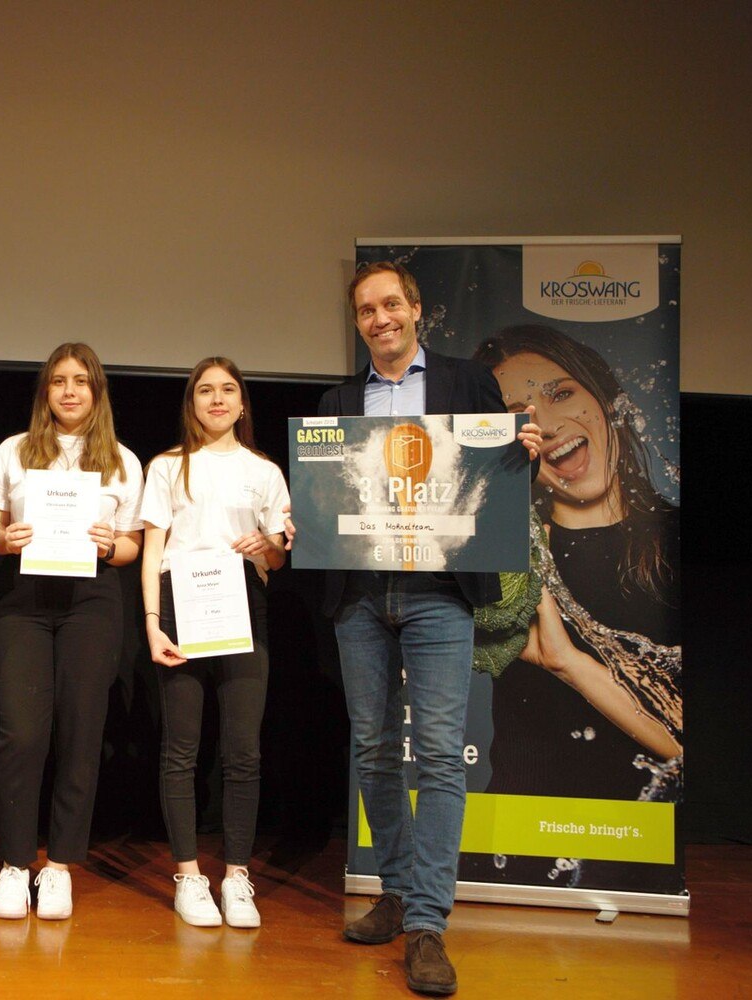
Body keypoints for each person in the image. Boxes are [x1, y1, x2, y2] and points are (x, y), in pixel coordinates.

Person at [320, 262, 540, 996]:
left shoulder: (465, 384)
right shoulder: (340, 401)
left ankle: (428, 926)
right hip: (361, 596)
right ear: (358, 323)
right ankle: (396, 891)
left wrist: (523, 460)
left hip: (440, 592)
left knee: (441, 756)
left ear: (417, 310)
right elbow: (330, 500)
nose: (379, 318)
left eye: (390, 304)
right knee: (376, 751)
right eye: (365, 310)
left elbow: (492, 480)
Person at [466, 324, 681, 891]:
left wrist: (568, 662)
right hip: (517, 846)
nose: (550, 422)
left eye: (561, 393)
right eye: (521, 413)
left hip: (637, 848)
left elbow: (686, 740)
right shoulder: (502, 553)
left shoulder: (674, 542)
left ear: (605, 399)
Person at [0, 343, 143, 921]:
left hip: (91, 601)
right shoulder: (12, 452)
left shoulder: (123, 460)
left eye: (81, 381)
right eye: (58, 382)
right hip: (22, 602)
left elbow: (131, 546)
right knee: (21, 736)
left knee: (80, 733)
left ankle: (59, 868)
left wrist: (112, 545)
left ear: (97, 391)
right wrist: (4, 540)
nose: (70, 391)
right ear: (45, 392)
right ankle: (14, 863)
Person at [140, 357, 291, 929]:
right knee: (180, 750)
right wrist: (153, 623)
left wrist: (266, 550)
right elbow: (153, 551)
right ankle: (188, 876)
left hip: (241, 606)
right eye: (206, 390)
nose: (218, 399)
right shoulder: (167, 467)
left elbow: (277, 557)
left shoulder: (264, 471)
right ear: (192, 402)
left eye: (228, 390)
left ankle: (235, 876)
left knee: (242, 752)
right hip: (181, 605)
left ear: (243, 403)